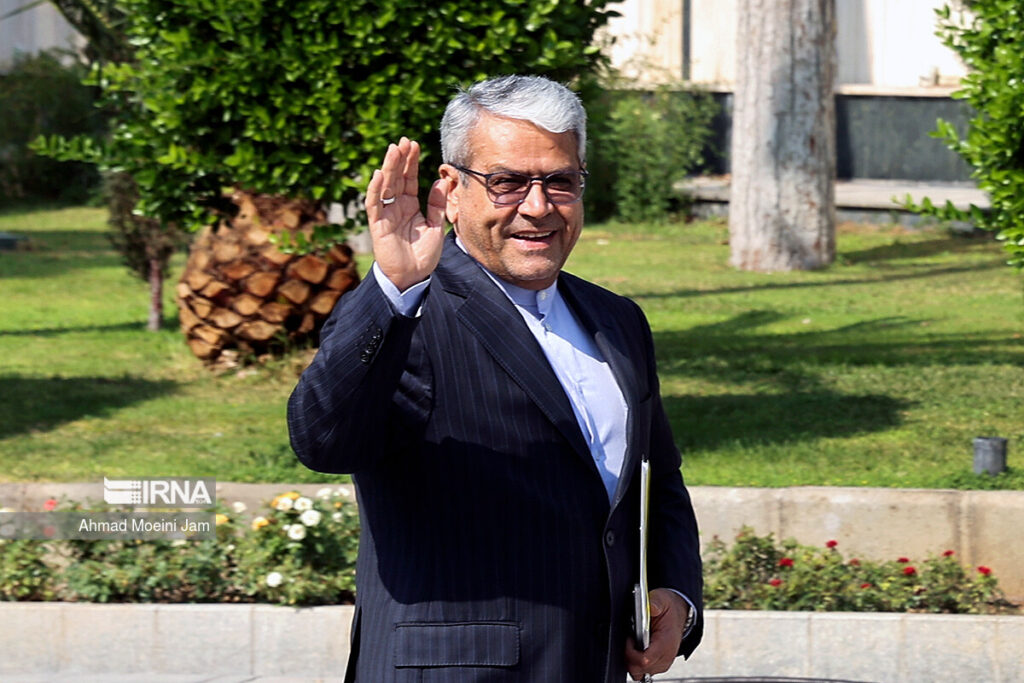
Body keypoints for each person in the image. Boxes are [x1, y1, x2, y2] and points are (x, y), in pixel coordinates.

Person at [288, 74, 703, 683]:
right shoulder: (410, 312)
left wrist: (676, 593)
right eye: (507, 182)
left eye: (560, 181)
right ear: (451, 190)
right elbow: (323, 441)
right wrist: (395, 289)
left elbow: (655, 477)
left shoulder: (617, 320)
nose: (538, 207)